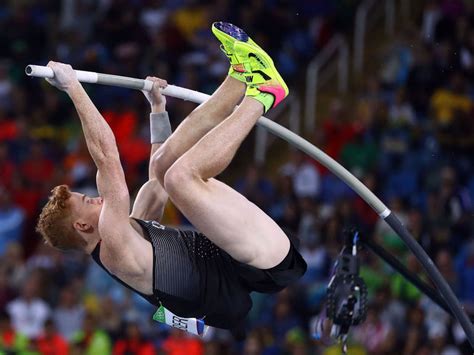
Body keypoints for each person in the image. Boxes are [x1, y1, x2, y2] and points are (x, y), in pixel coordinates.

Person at [35, 22, 306, 336]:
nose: (94, 197)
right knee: (180, 178)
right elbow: (106, 156)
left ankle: (238, 78)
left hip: (246, 260)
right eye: (87, 202)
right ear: (82, 226)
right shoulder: (114, 247)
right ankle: (264, 95)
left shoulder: (131, 236)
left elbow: (155, 178)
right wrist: (74, 88)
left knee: (165, 170)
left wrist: (157, 109)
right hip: (264, 262)